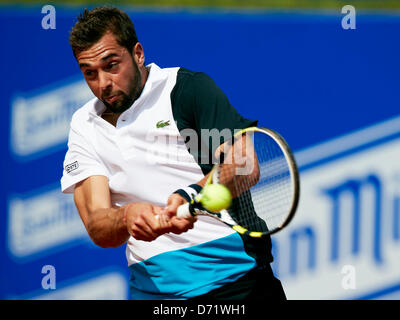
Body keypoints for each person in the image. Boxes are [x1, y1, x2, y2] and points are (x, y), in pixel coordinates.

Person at [61, 6, 286, 300]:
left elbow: (244, 165)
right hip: (154, 294)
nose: (103, 83)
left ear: (138, 54)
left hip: (236, 283)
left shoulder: (187, 89)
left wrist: (192, 194)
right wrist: (127, 217)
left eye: (111, 65)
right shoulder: (84, 124)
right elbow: (97, 225)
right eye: (90, 73)